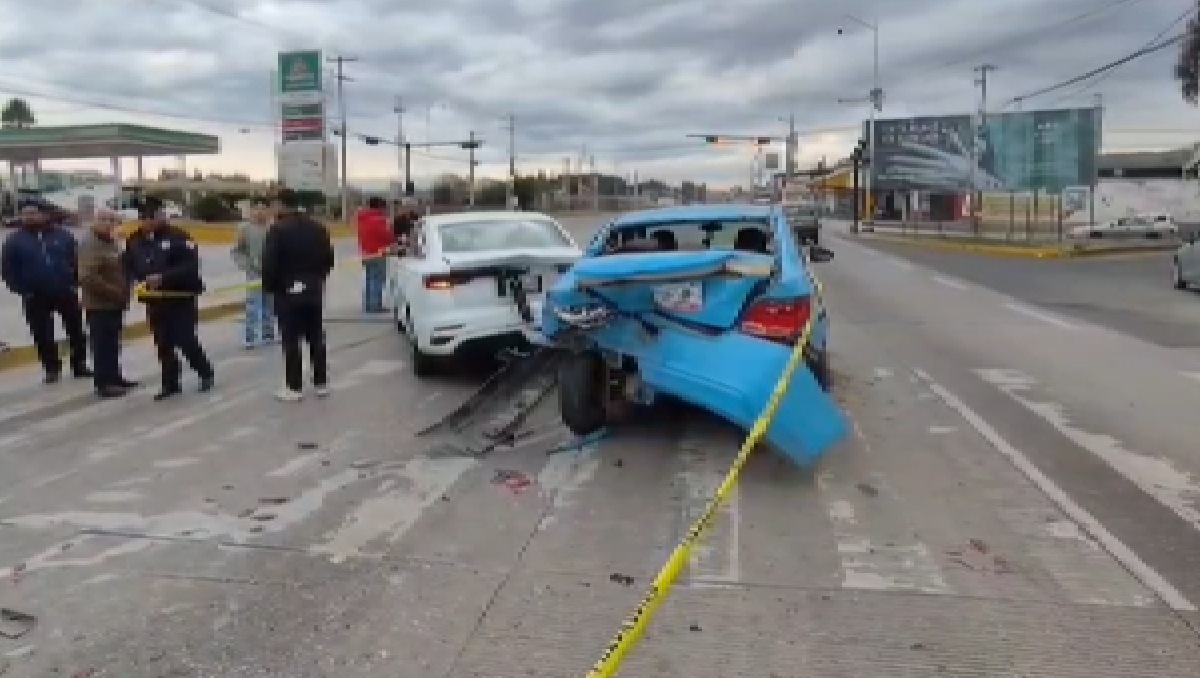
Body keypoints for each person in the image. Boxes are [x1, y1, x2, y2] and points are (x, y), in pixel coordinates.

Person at [123, 200, 214, 401]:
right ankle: (170, 383)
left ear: (162, 216)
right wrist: (132, 281)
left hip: (180, 297)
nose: (149, 221)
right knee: (163, 342)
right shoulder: (134, 240)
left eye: (154, 216)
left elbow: (190, 265)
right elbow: (128, 264)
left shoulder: (179, 237)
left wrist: (163, 277)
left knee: (185, 339)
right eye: (144, 217)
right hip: (154, 300)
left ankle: (205, 372)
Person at [0, 204, 91, 383]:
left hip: (65, 291)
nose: (29, 217)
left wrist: (75, 282)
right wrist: (22, 289)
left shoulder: (63, 235)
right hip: (34, 295)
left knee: (76, 330)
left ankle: (79, 364)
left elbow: (77, 260)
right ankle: (51, 369)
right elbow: (7, 269)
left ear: (44, 215)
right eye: (25, 214)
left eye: (33, 213)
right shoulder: (13, 241)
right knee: (42, 333)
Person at [261, 188, 335, 402]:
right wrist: (316, 279)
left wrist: (273, 288)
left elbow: (270, 265)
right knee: (316, 336)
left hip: (287, 292)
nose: (271, 209)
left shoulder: (277, 231)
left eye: (273, 204)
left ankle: (294, 387)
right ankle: (321, 383)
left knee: (291, 339)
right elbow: (328, 259)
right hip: (313, 289)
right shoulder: (318, 228)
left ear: (281, 204)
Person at [78, 208, 139, 398]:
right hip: (100, 304)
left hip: (115, 303)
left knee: (113, 343)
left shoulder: (111, 242)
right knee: (102, 344)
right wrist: (114, 292)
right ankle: (104, 383)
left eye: (112, 220)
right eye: (103, 219)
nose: (108, 223)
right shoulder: (90, 244)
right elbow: (87, 277)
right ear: (95, 221)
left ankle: (114, 377)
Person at [231, 197, 276, 349]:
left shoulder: (273, 229)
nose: (260, 212)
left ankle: (268, 334)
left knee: (269, 304)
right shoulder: (245, 229)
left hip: (271, 273)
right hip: (254, 274)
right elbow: (238, 251)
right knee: (253, 304)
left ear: (269, 211)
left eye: (263, 208)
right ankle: (250, 337)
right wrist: (248, 265)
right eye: (256, 208)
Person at [355, 196, 391, 313]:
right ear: (380, 206)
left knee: (369, 279)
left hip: (366, 252)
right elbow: (386, 236)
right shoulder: (379, 220)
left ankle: (368, 304)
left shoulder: (362, 219)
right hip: (378, 253)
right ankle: (375, 306)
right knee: (377, 279)